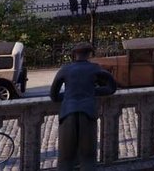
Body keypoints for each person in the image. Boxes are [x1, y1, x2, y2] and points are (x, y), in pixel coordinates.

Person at [50, 42, 118, 171]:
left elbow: (53, 95)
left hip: (68, 113)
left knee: (65, 158)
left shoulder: (65, 69)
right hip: (88, 113)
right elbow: (111, 87)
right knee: (88, 158)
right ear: (88, 54)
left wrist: (69, 96)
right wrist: (93, 91)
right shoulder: (95, 68)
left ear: (74, 55)